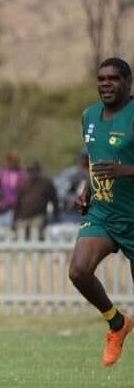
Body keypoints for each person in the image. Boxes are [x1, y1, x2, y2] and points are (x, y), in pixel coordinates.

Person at [69, 57, 134, 368]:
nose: (105, 84)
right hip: (103, 213)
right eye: (101, 78)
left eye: (113, 79)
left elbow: (115, 166)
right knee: (79, 270)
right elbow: (96, 162)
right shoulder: (89, 116)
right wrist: (87, 190)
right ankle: (117, 323)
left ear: (128, 83)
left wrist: (125, 170)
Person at [13, 161, 59, 240]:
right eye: (30, 170)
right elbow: (17, 204)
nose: (32, 173)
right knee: (20, 234)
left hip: (38, 217)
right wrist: (14, 220)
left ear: (39, 171)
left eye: (34, 170)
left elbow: (54, 200)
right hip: (23, 217)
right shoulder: (24, 184)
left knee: (35, 231)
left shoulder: (46, 184)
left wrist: (56, 215)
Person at [0, 151, 26, 218]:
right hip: (2, 205)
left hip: (16, 204)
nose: (14, 164)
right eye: (12, 161)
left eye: (16, 161)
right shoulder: (1, 172)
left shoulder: (21, 173)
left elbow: (24, 187)